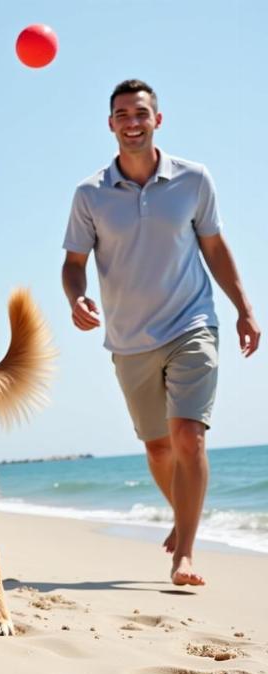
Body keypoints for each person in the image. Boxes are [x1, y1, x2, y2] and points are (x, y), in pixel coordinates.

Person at [61, 79, 260, 587]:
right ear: (110, 125)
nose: (132, 122)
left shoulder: (194, 180)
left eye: (141, 113)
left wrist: (243, 308)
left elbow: (215, 248)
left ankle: (184, 555)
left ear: (157, 119)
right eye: (122, 114)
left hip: (192, 322)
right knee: (157, 449)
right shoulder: (90, 194)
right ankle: (184, 517)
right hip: (129, 340)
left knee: (188, 437)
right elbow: (73, 263)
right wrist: (76, 296)